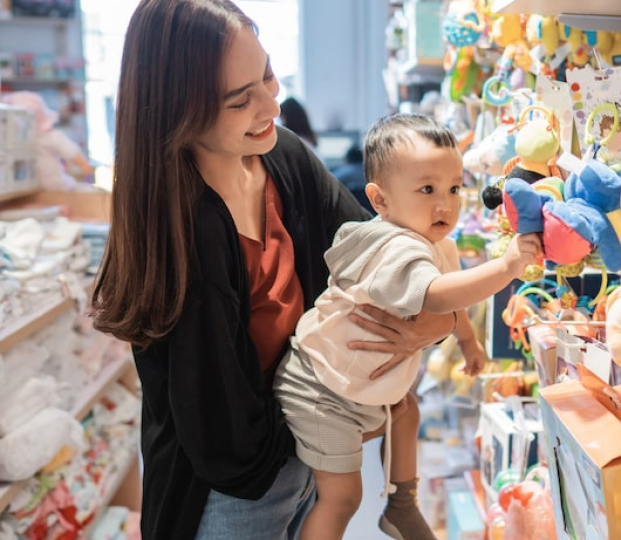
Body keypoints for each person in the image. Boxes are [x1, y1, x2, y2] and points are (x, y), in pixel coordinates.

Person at [89, 2, 455, 539]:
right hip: (231, 494)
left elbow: (385, 256)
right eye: (241, 99)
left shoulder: (282, 156)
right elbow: (225, 441)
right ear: (178, 111)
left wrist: (438, 323)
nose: (271, 101)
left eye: (265, 73)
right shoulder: (182, 229)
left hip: (307, 453)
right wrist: (327, 418)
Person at [273, 113, 542, 540]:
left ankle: (401, 503)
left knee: (407, 409)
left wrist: (469, 342)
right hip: (320, 390)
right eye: (427, 189)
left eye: (454, 188)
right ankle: (392, 506)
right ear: (380, 200)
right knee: (342, 496)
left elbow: (450, 303)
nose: (446, 204)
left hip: (354, 385)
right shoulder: (394, 245)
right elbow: (436, 294)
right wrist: (507, 266)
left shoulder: (435, 244)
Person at [331, 143, 372, 213]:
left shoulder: (340, 174)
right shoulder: (371, 174)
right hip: (372, 213)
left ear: (346, 160)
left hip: (346, 213)